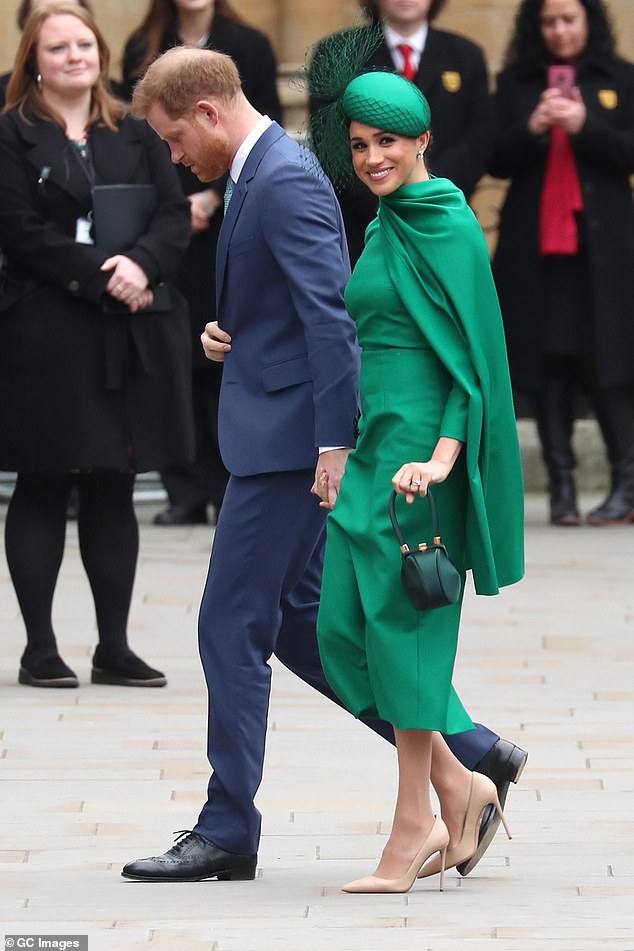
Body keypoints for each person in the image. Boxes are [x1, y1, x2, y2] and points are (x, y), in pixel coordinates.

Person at [121, 46, 527, 885]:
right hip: (306, 435)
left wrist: (337, 447)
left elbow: (365, 333)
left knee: (230, 625)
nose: (172, 158)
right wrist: (236, 336)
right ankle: (466, 762)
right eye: (362, 142)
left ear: (203, 111)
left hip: (309, 449)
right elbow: (336, 305)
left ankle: (229, 824)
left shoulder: (290, 179)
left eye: (170, 139)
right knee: (316, 627)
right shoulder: (281, 178)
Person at [309, 69, 524, 892]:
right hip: (372, 451)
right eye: (360, 145)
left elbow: (471, 362)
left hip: (418, 463)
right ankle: (459, 785)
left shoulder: (448, 223)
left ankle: (411, 831)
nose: (371, 157)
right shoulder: (387, 221)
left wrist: (441, 455)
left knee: (403, 636)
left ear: (423, 139)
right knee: (341, 635)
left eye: (386, 141)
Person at [0, 3, 194, 688]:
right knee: (45, 479)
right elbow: (19, 230)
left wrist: (141, 263)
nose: (74, 56)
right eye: (57, 47)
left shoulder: (136, 129)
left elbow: (174, 211)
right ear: (34, 60)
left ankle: (114, 646)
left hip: (129, 328)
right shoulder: (11, 133)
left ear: (102, 54)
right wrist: (102, 274)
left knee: (115, 478)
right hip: (48, 331)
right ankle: (40, 648)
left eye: (84, 43)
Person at [120, 0, 282, 526]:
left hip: (226, 209)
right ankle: (186, 486)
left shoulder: (248, 44)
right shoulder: (141, 47)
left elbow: (255, 129)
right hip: (167, 226)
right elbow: (142, 143)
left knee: (228, 340)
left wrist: (215, 197)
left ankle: (226, 478)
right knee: (181, 352)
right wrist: (169, 206)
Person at [489, 0, 634, 526]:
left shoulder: (619, 77)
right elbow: (495, 158)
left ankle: (625, 485)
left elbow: (627, 151)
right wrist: (531, 126)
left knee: (608, 365)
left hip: (603, 252)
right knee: (548, 364)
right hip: (537, 250)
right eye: (549, 21)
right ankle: (563, 490)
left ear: (589, 21)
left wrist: (584, 124)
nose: (560, 30)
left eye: (569, 19)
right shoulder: (516, 81)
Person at [309, 0, 494, 262]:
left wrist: (430, 194)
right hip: (362, 231)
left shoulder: (466, 56)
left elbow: (480, 137)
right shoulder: (339, 53)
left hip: (443, 223)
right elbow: (328, 140)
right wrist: (381, 198)